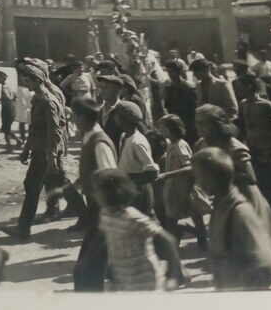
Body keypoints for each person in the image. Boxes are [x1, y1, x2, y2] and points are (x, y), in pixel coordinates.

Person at [192, 147, 271, 290]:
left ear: (211, 177)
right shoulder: (220, 207)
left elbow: (266, 265)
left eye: (199, 176)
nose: (197, 183)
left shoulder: (240, 212)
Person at [191, 104, 271, 239]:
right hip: (221, 198)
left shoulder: (234, 147)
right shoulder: (201, 144)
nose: (198, 127)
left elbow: (251, 177)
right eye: (197, 123)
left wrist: (222, 174)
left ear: (216, 124)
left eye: (203, 123)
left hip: (243, 197)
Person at [93, 169, 185, 292]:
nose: (94, 194)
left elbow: (168, 240)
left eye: (98, 190)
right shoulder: (105, 214)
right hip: (123, 278)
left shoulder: (133, 217)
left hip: (145, 280)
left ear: (112, 192)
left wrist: (174, 274)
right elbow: (110, 242)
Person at [10, 58, 68, 240]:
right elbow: (34, 129)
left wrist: (52, 155)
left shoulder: (48, 101)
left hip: (45, 152)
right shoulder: (38, 99)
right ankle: (83, 213)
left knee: (33, 185)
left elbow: (55, 130)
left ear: (37, 79)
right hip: (39, 150)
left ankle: (23, 228)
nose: (24, 82)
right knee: (55, 181)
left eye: (27, 79)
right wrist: (26, 149)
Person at [66, 96, 119, 290]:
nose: (73, 120)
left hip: (103, 211)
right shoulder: (90, 137)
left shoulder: (99, 142)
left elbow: (111, 177)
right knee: (86, 268)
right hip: (96, 209)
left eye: (74, 116)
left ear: (82, 118)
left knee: (88, 270)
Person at [237, 74, 271, 223]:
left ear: (250, 86)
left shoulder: (266, 104)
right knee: (264, 185)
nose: (239, 89)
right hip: (254, 150)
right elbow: (242, 125)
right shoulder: (243, 104)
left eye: (241, 86)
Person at [155, 114, 207, 249]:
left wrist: (167, 175)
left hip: (182, 186)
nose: (160, 130)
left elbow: (189, 167)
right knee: (187, 215)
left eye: (162, 127)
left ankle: (194, 238)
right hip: (176, 187)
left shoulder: (179, 145)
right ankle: (198, 238)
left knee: (180, 216)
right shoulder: (171, 144)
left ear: (170, 129)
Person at [113, 102, 159, 218]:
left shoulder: (137, 142)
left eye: (116, 115)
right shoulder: (124, 136)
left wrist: (132, 183)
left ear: (124, 119)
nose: (114, 118)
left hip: (139, 192)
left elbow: (152, 171)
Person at [191, 57, 239, 122]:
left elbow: (233, 109)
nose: (194, 74)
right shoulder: (198, 86)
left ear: (206, 69)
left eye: (196, 71)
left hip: (221, 124)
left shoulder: (222, 84)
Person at [0, 70, 19, 149]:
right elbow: (14, 96)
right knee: (6, 128)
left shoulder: (5, 87)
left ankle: (9, 144)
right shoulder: (8, 85)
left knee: (6, 128)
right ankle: (16, 141)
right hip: (10, 108)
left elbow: (8, 97)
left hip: (7, 109)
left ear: (2, 78)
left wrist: (2, 99)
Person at [13, 80, 32, 144]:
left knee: (30, 125)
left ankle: (29, 139)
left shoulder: (31, 88)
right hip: (23, 109)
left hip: (30, 108)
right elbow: (18, 99)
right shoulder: (20, 89)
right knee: (22, 124)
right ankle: (23, 138)